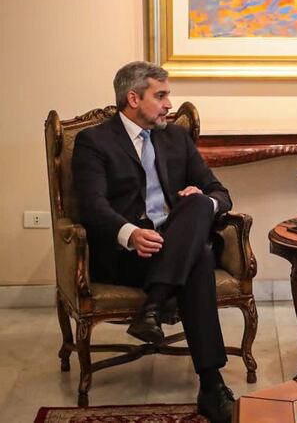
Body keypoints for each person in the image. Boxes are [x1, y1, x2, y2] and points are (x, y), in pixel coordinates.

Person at [72, 61, 234, 423]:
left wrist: (204, 201)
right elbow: (92, 205)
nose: (168, 104)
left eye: (168, 95)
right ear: (133, 98)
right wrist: (130, 234)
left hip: (175, 244)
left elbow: (220, 194)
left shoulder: (175, 137)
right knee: (200, 259)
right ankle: (211, 386)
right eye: (160, 95)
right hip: (128, 255)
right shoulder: (94, 141)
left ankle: (154, 305)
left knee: (197, 204)